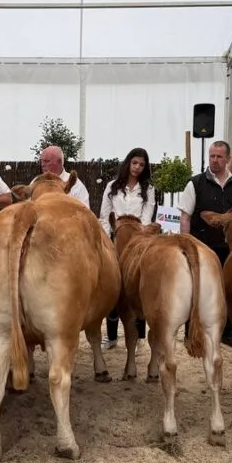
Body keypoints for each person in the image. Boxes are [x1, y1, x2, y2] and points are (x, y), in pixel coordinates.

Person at [179, 140, 232, 346]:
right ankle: (191, 331)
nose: (214, 160)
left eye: (219, 157)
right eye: (212, 156)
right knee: (196, 287)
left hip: (229, 249)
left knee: (228, 290)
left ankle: (227, 331)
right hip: (201, 246)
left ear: (228, 159)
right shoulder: (196, 183)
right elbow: (185, 217)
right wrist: (185, 244)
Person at [99, 148, 156, 348]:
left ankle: (140, 336)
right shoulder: (112, 187)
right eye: (134, 163)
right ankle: (112, 336)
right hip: (116, 238)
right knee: (114, 284)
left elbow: (147, 216)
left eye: (141, 165)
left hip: (138, 238)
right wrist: (108, 239)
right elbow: (105, 215)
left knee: (137, 284)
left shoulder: (148, 189)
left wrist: (141, 238)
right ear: (128, 163)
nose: (137, 168)